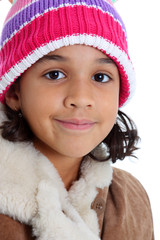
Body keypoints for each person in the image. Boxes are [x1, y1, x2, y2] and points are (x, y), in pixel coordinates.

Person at [0, 0, 154, 239]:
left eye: (101, 77)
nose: (81, 98)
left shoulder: (132, 199)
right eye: (55, 74)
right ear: (14, 92)